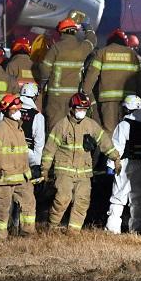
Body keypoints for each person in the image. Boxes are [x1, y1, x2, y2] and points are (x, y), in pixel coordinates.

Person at [42, 93, 120, 232]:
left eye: (84, 109)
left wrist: (116, 158)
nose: (81, 112)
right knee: (62, 199)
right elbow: (50, 148)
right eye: (79, 108)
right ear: (72, 108)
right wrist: (45, 168)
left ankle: (73, 232)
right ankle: (52, 227)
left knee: (82, 201)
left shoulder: (91, 125)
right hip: (64, 170)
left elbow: (104, 141)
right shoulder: (62, 125)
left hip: (84, 172)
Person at [0, 94, 38, 238]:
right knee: (3, 209)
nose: (18, 113)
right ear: (6, 111)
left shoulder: (19, 129)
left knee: (29, 203)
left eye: (19, 110)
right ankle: (1, 237)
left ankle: (27, 233)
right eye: (15, 110)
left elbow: (22, 153)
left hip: (21, 176)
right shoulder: (0, 129)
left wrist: (31, 169)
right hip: (5, 177)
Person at [38, 17, 97, 130]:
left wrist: (43, 83)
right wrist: (87, 28)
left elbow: (45, 68)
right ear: (74, 31)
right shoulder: (82, 47)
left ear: (61, 32)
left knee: (55, 128)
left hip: (56, 96)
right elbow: (92, 41)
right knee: (72, 128)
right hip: (74, 97)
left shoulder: (56, 48)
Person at [81, 28, 141, 132]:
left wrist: (85, 92)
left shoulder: (102, 52)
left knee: (110, 130)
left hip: (108, 100)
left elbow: (92, 74)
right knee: (128, 129)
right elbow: (140, 78)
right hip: (129, 100)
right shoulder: (133, 55)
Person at [106, 94, 141, 234]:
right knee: (138, 196)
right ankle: (136, 228)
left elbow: (117, 147)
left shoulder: (124, 124)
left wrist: (110, 165)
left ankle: (112, 228)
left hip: (125, 164)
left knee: (119, 195)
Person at [17, 83, 49, 223]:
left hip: (8, 157)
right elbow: (39, 143)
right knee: (26, 194)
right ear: (34, 97)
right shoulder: (37, 116)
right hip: (28, 158)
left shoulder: (10, 110)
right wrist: (37, 165)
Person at [6, 37, 39, 107]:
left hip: (17, 104)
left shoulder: (11, 65)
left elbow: (8, 88)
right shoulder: (35, 65)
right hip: (35, 103)